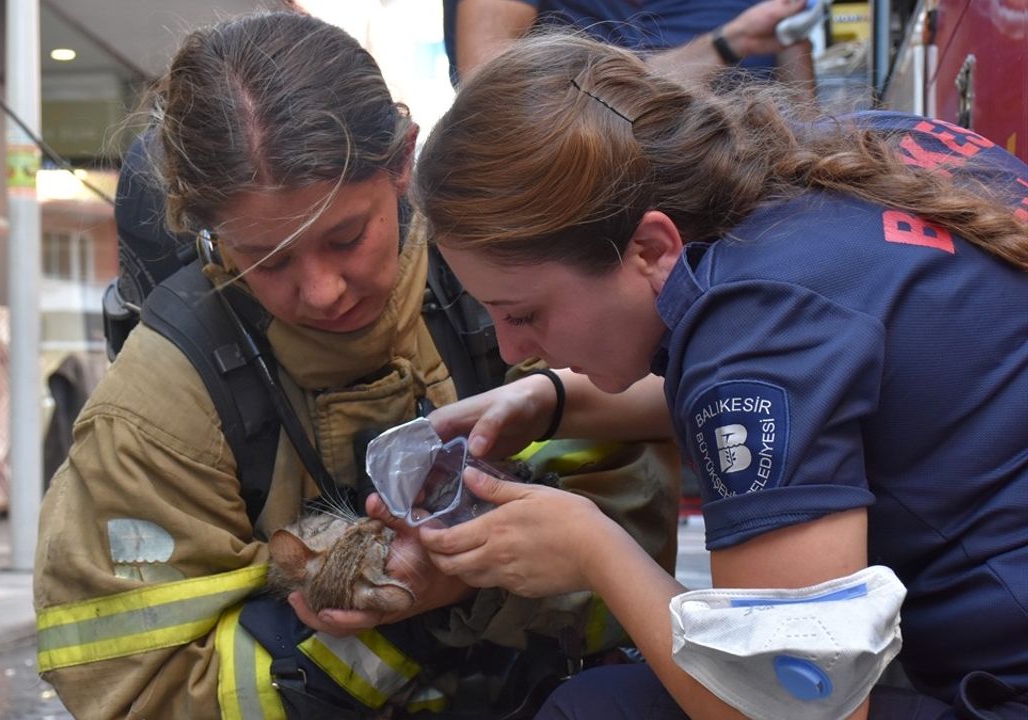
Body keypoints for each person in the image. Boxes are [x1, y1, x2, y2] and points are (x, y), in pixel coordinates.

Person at [33, 12, 682, 720]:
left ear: (403, 161)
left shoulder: (502, 285)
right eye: (268, 259)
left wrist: (477, 576)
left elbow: (634, 542)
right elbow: (133, 685)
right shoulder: (156, 410)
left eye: (346, 236)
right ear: (208, 232)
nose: (321, 291)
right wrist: (404, 618)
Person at [410, 32, 1028, 720]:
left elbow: (801, 708)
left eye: (523, 312)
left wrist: (593, 550)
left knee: (591, 710)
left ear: (649, 247)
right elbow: (806, 390)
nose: (512, 348)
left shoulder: (755, 328)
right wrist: (551, 401)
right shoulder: (831, 157)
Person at [444, 0, 816, 92]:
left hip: (750, 214)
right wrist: (725, 45)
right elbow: (485, 77)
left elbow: (800, 114)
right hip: (588, 216)